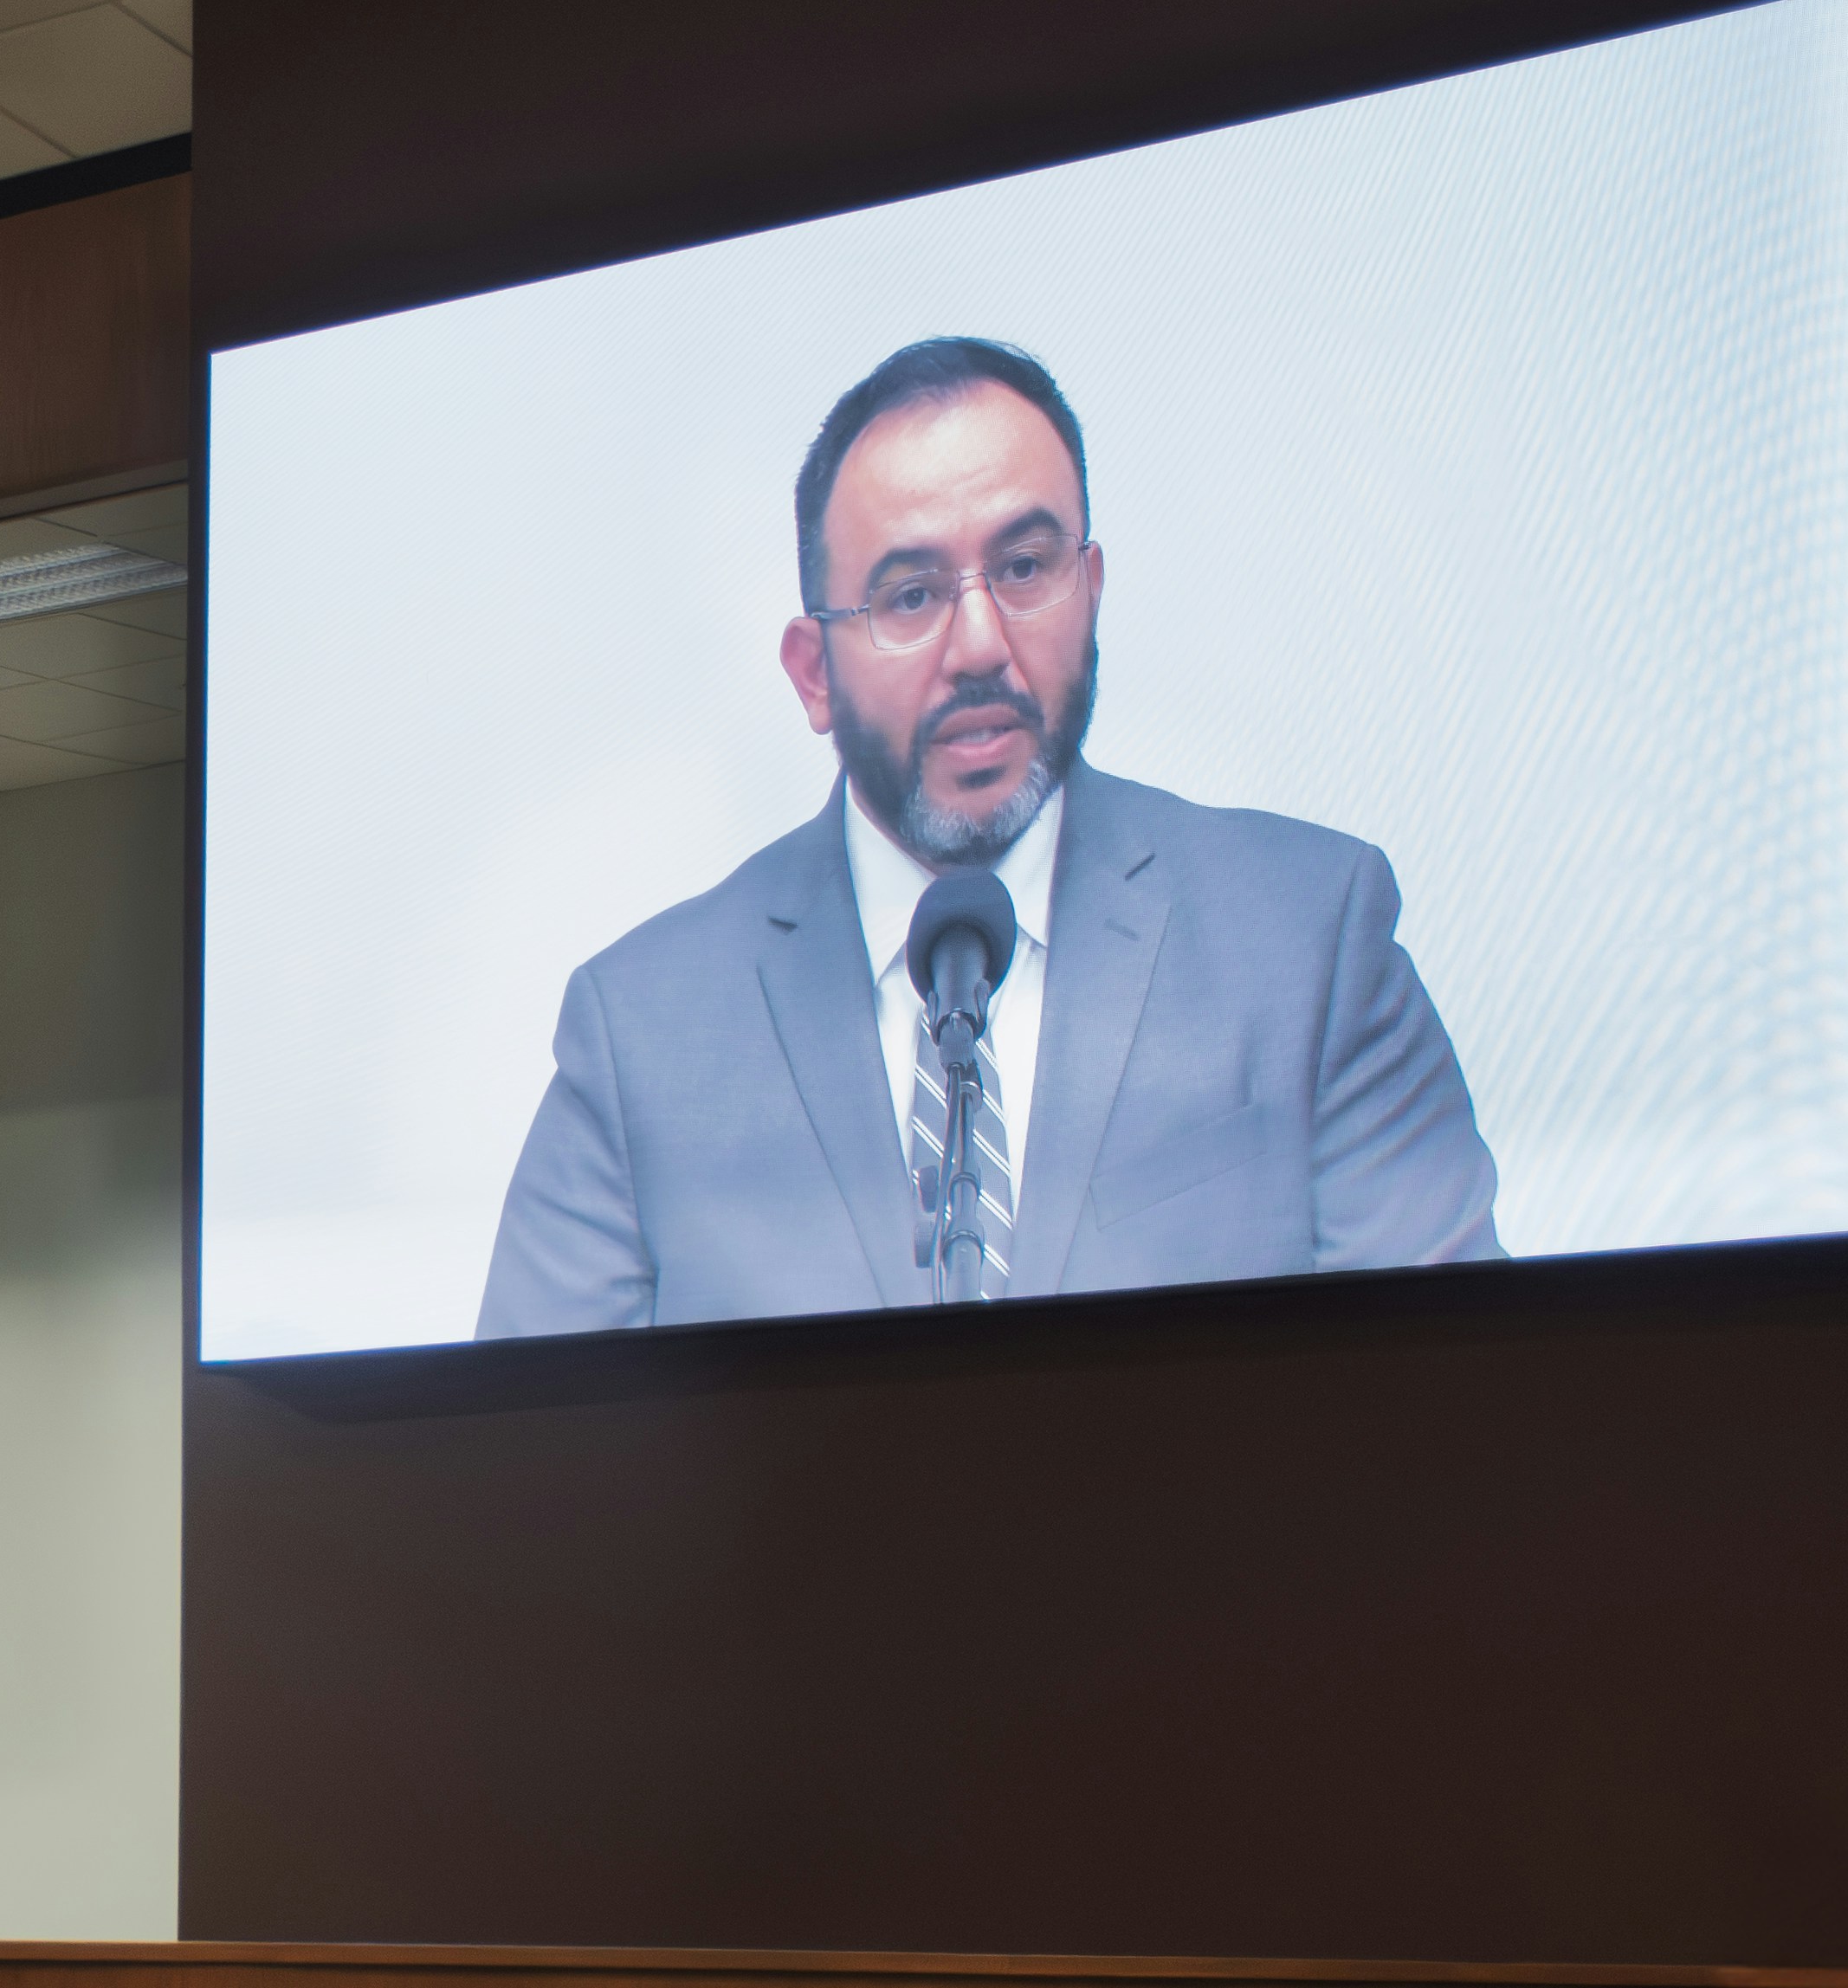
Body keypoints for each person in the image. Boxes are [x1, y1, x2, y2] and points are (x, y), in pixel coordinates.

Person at [477, 339, 1503, 1334]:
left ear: (1091, 592)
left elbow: (1454, 1394)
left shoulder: (1311, 941)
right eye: (911, 595)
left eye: (1022, 567)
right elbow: (529, 1439)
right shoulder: (638, 1033)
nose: (979, 644)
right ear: (814, 672)